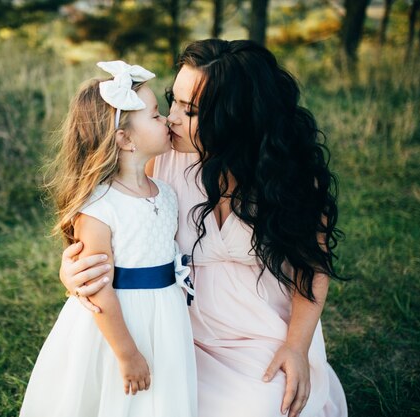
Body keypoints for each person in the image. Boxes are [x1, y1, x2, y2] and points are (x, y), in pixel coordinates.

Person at [59, 40, 348, 417]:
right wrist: (74, 270)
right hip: (174, 329)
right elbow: (114, 227)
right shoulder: (159, 163)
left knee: (266, 409)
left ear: (235, 117)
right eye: (172, 101)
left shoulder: (287, 177)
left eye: (190, 110)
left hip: (257, 334)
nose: (173, 118)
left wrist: (296, 346)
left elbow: (313, 267)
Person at [19, 61, 197, 417]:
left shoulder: (165, 192)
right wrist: (127, 351)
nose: (167, 121)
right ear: (125, 139)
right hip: (118, 323)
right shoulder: (100, 205)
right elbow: (97, 283)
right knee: (114, 397)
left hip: (165, 315)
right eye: (157, 115)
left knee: (159, 398)